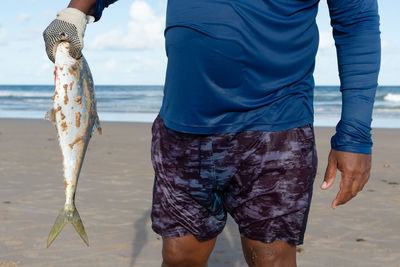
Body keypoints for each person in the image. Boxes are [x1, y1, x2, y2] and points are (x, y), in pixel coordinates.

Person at [43, 0, 381, 266]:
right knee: (179, 257)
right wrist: (76, 9)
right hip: (182, 126)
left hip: (275, 128)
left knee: (271, 259)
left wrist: (354, 133)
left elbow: (357, 22)